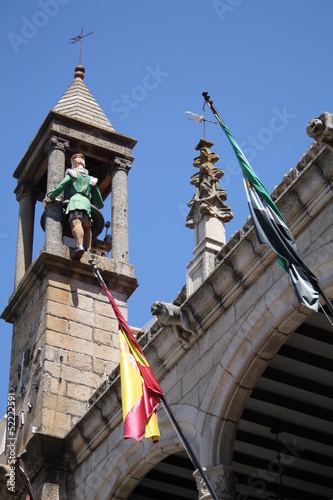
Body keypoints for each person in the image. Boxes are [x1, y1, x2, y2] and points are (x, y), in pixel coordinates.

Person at [43, 153, 104, 260]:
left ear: (74, 164)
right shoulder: (91, 180)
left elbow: (61, 187)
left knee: (77, 223)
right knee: (87, 227)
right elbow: (100, 203)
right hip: (87, 205)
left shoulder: (72, 174)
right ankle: (88, 249)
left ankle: (79, 246)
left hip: (75, 202)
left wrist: (49, 196)